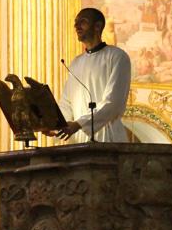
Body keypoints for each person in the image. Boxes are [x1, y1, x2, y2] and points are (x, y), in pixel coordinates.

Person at [53, 7, 131, 143]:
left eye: (82, 22)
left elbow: (113, 103)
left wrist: (79, 124)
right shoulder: (76, 62)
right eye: (75, 23)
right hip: (78, 139)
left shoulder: (117, 56)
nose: (76, 26)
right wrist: (57, 126)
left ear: (97, 26)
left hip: (108, 136)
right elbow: (66, 103)